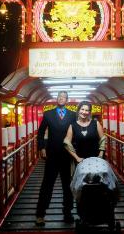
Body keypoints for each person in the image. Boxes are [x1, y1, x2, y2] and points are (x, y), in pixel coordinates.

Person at [36, 91, 76, 226]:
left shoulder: (72, 115)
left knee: (68, 185)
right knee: (47, 185)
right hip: (51, 154)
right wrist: (42, 148)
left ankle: (67, 212)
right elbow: (41, 132)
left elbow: (75, 134)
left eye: (64, 97)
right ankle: (40, 214)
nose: (61, 98)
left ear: (67, 100)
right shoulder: (48, 114)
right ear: (56, 99)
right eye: (59, 96)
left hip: (67, 155)